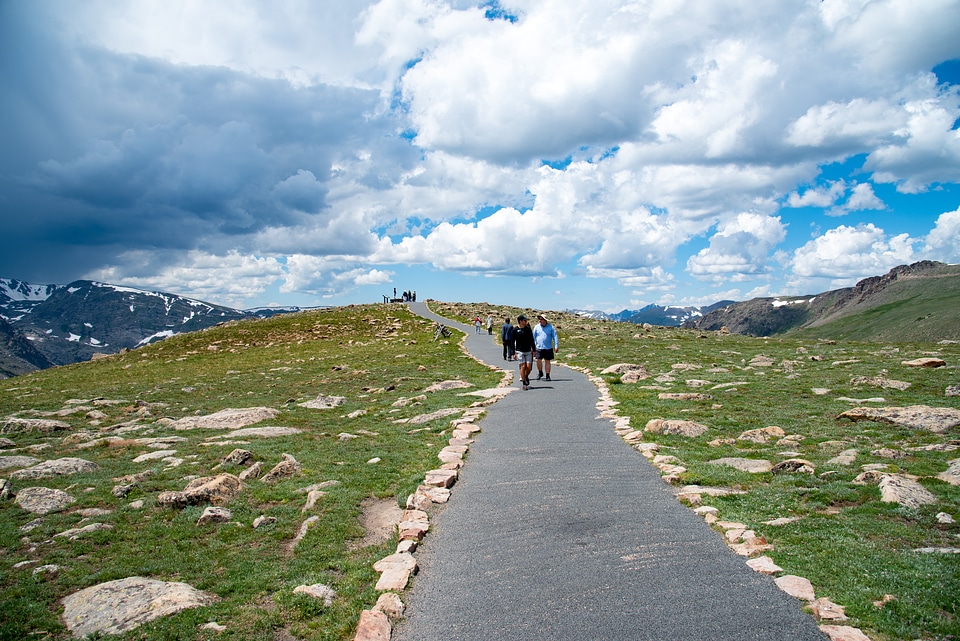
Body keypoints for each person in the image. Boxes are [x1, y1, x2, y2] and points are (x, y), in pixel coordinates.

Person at [533, 313, 558, 381]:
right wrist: (532, 346)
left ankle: (547, 375)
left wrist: (556, 345)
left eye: (541, 319)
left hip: (548, 347)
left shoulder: (551, 327)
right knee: (538, 360)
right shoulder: (536, 327)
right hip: (538, 347)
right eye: (539, 319)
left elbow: (555, 336)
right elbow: (533, 337)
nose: (540, 320)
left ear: (545, 320)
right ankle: (540, 372)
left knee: (547, 361)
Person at [513, 315, 535, 390]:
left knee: (529, 367)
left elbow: (532, 340)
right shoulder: (515, 330)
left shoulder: (528, 329)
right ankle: (524, 383)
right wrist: (513, 352)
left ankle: (525, 376)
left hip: (528, 350)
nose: (526, 322)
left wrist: (534, 350)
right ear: (520, 321)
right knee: (523, 366)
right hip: (519, 351)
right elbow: (512, 341)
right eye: (524, 320)